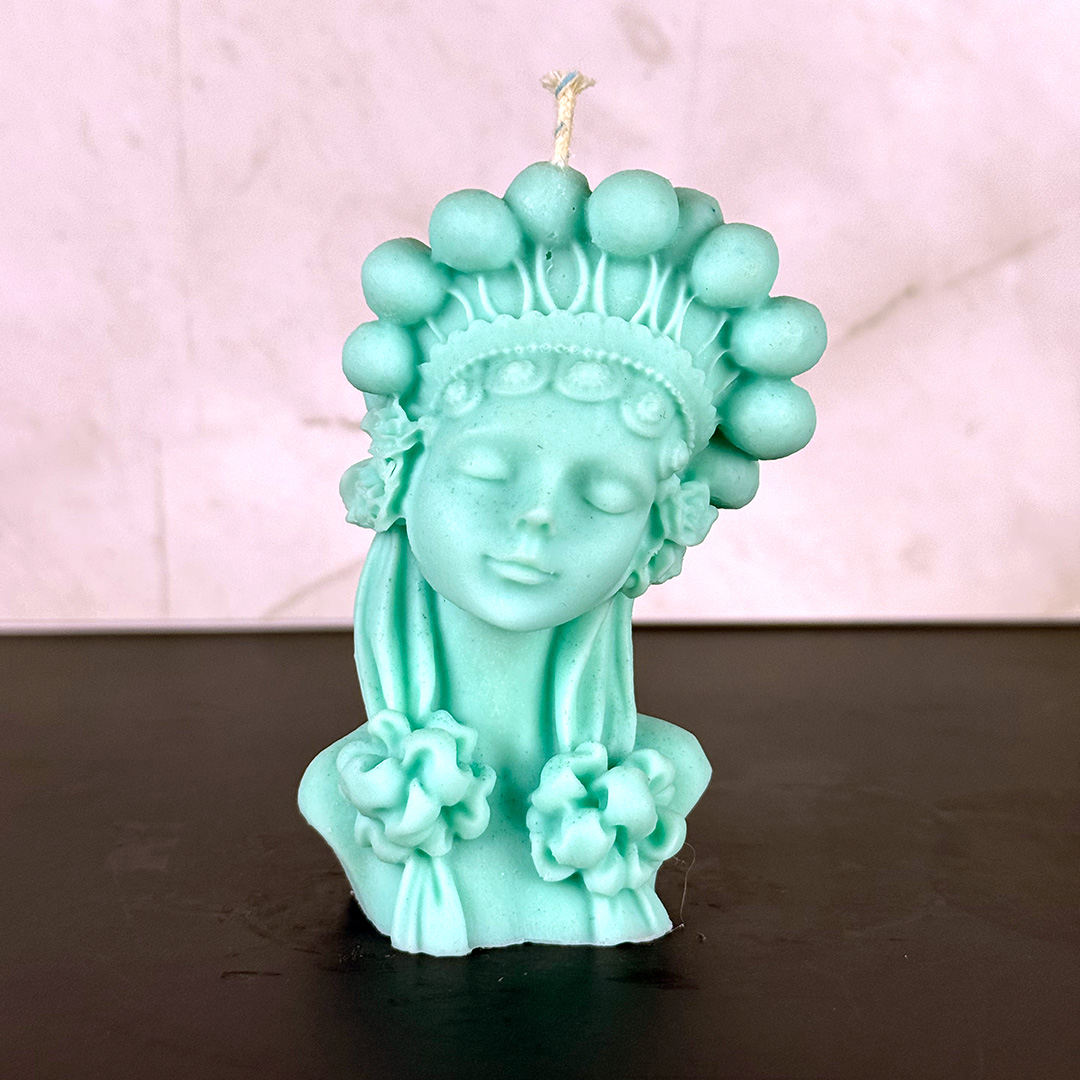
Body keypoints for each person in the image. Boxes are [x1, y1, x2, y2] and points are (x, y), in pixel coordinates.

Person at [300, 164, 824, 955]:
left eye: (607, 496)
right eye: (486, 470)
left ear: (655, 537)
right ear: (402, 475)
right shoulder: (357, 786)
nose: (536, 520)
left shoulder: (651, 784)